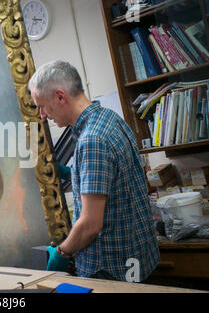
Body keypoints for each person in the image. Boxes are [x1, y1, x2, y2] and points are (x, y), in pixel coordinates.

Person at [28, 60, 160, 282]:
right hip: (135, 261)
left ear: (60, 97)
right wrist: (72, 173)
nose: (42, 114)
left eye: (42, 106)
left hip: (112, 269)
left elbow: (90, 225)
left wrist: (62, 252)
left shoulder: (91, 141)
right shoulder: (109, 118)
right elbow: (111, 179)